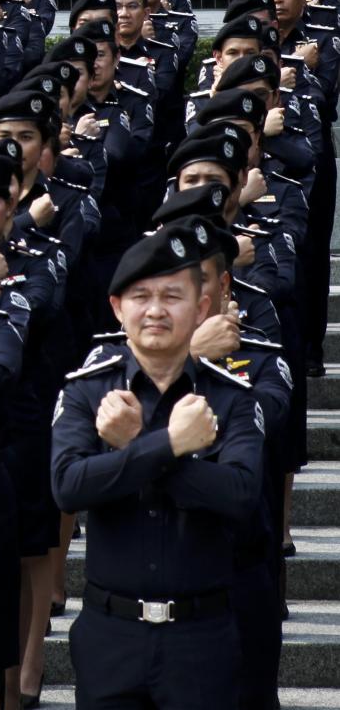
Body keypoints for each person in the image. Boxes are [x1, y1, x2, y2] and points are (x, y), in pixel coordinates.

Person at [51, 224, 263, 710]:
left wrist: (136, 445)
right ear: (116, 308)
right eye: (140, 296)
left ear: (202, 308)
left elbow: (240, 496)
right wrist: (167, 446)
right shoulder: (87, 390)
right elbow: (68, 486)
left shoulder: (231, 396)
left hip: (201, 637)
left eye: (172, 296)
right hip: (111, 634)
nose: (155, 310)